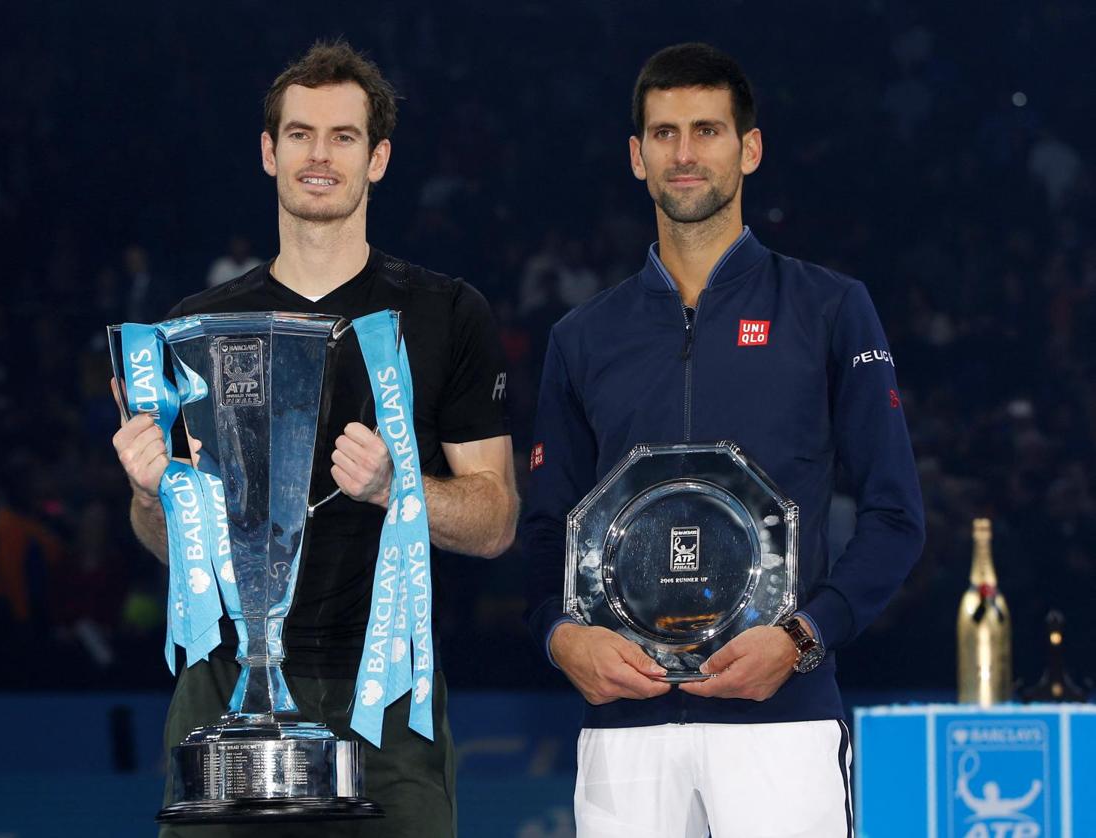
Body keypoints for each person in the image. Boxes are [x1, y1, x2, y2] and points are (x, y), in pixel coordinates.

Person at [111, 41, 519, 838]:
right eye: (300, 135)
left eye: (343, 137)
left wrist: (396, 489)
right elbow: (165, 542)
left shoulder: (445, 313)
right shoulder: (196, 328)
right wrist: (146, 490)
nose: (319, 156)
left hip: (384, 701)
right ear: (269, 153)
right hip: (226, 685)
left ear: (379, 159)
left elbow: (496, 520)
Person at [523, 43, 924, 838]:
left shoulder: (830, 309)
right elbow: (547, 531)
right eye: (664, 133)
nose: (684, 153)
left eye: (707, 130)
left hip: (782, 723)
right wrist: (560, 636)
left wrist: (804, 639)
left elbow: (895, 518)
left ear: (750, 148)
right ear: (637, 157)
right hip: (626, 734)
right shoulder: (583, 337)